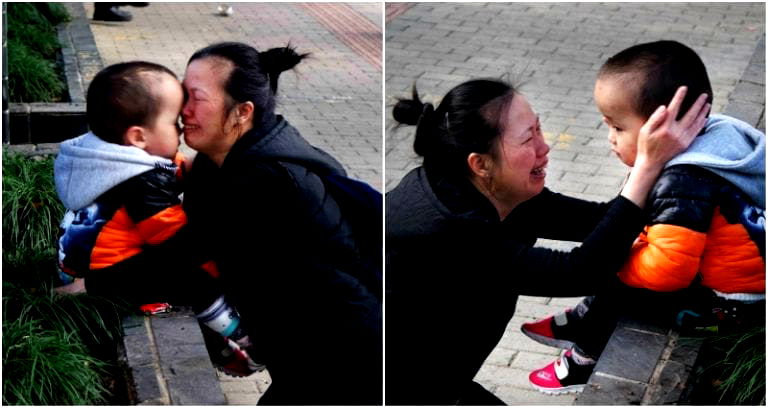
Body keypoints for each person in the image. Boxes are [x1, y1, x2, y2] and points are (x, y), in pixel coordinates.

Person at [385, 78, 710, 404]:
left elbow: (598, 220)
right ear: (480, 163)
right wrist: (646, 168)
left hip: (433, 379)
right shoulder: (447, 231)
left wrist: (662, 169)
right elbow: (581, 271)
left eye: (539, 129)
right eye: (529, 138)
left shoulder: (485, 186)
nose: (545, 147)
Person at [524, 40, 765, 395]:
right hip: (739, 287)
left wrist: (617, 261)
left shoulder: (684, 180)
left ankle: (582, 359)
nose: (609, 139)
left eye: (618, 128)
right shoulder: (717, 139)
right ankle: (579, 322)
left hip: (729, 311)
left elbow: (667, 272)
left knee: (618, 280)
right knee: (621, 261)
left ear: (661, 125)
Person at [176, 42, 381, 405]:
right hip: (306, 354)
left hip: (345, 359)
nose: (182, 110)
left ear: (242, 112)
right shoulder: (218, 165)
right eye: (181, 94)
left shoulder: (267, 183)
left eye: (196, 98)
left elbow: (186, 264)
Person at [53, 61, 262, 378]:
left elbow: (175, 170)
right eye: (173, 122)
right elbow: (173, 241)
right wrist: (216, 263)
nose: (181, 128)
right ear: (138, 136)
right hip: (108, 271)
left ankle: (221, 349)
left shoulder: (112, 155)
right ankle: (242, 336)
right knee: (193, 279)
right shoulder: (141, 181)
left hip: (79, 260)